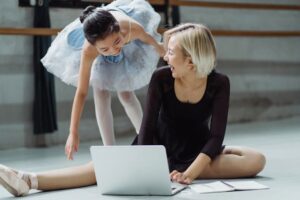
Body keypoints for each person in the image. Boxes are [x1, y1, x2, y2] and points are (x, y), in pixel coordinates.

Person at [0, 23, 265, 197]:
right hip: (156, 150)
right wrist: (144, 165)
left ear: (191, 61)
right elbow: (147, 128)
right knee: (100, 168)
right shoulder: (161, 78)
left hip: (195, 154)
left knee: (256, 160)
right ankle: (30, 180)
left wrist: (192, 171)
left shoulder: (220, 83)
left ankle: (186, 167)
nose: (165, 56)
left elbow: (216, 136)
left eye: (171, 52)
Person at [41, 0, 165, 160]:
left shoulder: (131, 28)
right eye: (105, 49)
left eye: (116, 43)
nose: (113, 51)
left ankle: (147, 138)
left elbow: (147, 38)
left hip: (119, 29)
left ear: (120, 32)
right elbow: (81, 92)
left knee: (126, 94)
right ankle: (110, 150)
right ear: (95, 47)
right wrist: (73, 132)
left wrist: (158, 47)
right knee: (100, 93)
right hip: (100, 41)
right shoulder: (89, 50)